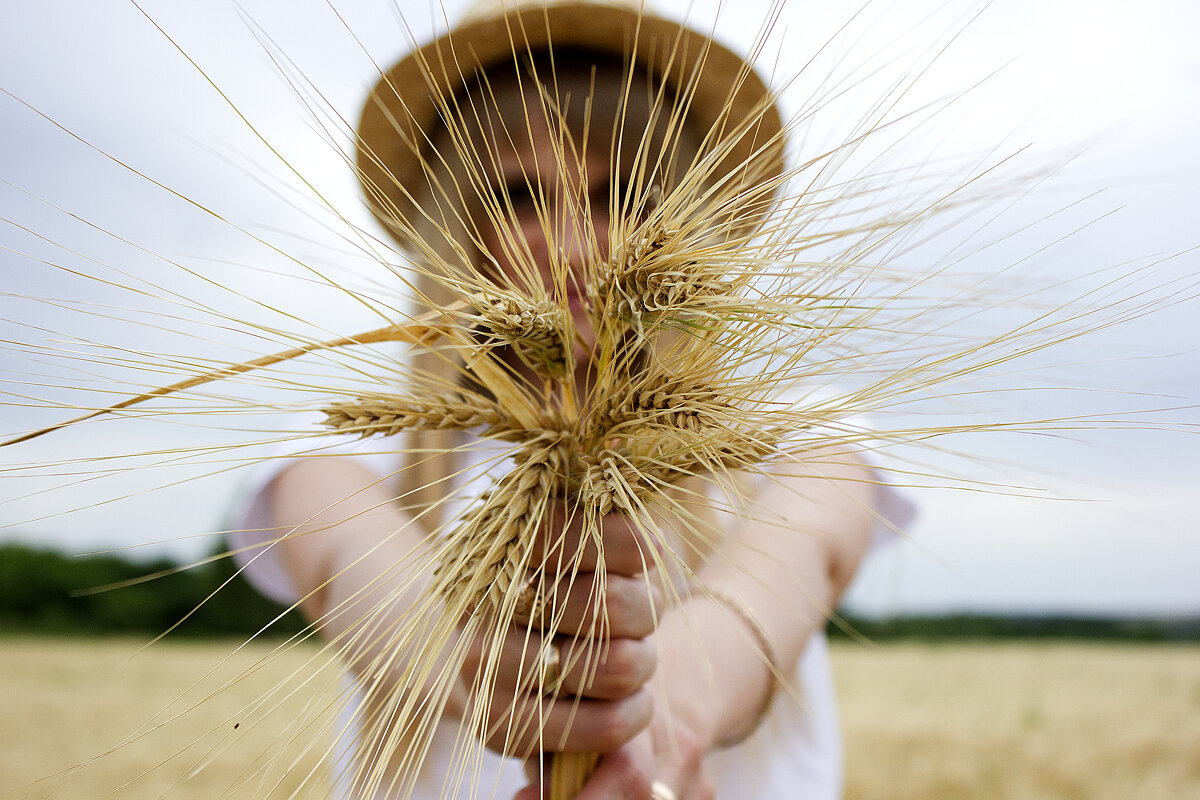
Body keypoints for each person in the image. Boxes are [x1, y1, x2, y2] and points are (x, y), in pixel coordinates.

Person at [233, 1, 906, 797]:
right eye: (519, 194)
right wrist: (472, 658)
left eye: (621, 192)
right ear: (458, 225)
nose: (571, 240)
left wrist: (657, 734)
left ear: (687, 224)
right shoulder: (351, 446)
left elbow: (792, 566)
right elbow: (356, 573)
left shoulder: (798, 435)